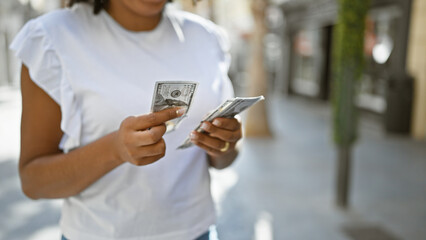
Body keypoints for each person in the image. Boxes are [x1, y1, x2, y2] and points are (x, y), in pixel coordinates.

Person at [10, 0, 242, 239]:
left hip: (198, 232)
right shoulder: (52, 38)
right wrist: (115, 150)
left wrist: (225, 145)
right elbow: (33, 181)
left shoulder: (206, 37)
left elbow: (225, 158)